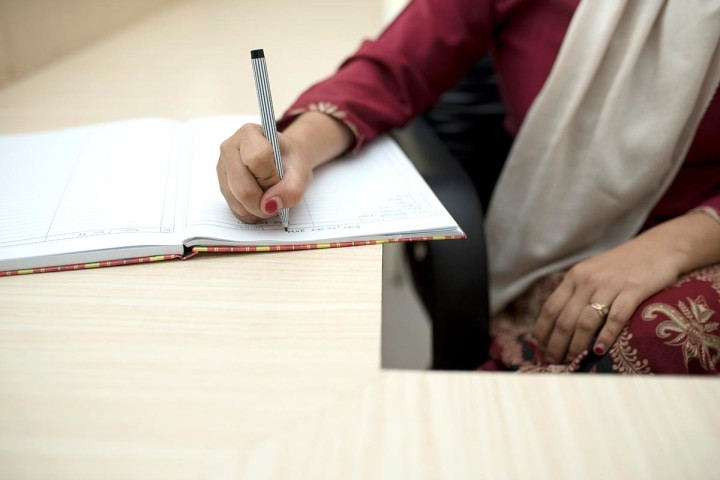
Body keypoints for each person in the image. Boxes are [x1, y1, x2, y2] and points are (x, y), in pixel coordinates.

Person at [217, 0, 720, 374]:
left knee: (656, 347)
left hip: (702, 234)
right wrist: (300, 143)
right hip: (557, 240)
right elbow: (393, 68)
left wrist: (679, 242)